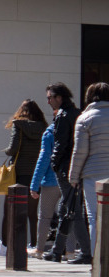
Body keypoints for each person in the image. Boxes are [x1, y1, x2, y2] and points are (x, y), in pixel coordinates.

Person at [0, 100, 44, 257]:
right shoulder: (43, 127)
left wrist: (6, 151)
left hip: (17, 174)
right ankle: (33, 245)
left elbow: (13, 148)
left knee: (9, 212)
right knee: (32, 214)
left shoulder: (18, 125)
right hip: (35, 174)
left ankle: (6, 245)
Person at [43, 83, 91, 263]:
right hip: (78, 167)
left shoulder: (63, 115)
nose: (48, 101)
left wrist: (55, 163)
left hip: (66, 168)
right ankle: (57, 250)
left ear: (59, 97)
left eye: (50, 97)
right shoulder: (77, 114)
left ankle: (85, 252)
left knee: (73, 210)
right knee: (67, 207)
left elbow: (60, 144)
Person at [70, 82, 109, 258]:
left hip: (93, 174)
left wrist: (74, 176)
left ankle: (98, 261)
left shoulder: (85, 118)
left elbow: (80, 152)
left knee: (94, 218)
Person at [29, 117, 60, 257]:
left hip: (51, 181)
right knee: (70, 216)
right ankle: (70, 251)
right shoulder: (74, 130)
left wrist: (34, 185)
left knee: (44, 217)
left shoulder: (49, 133)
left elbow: (43, 159)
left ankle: (40, 249)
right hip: (69, 180)